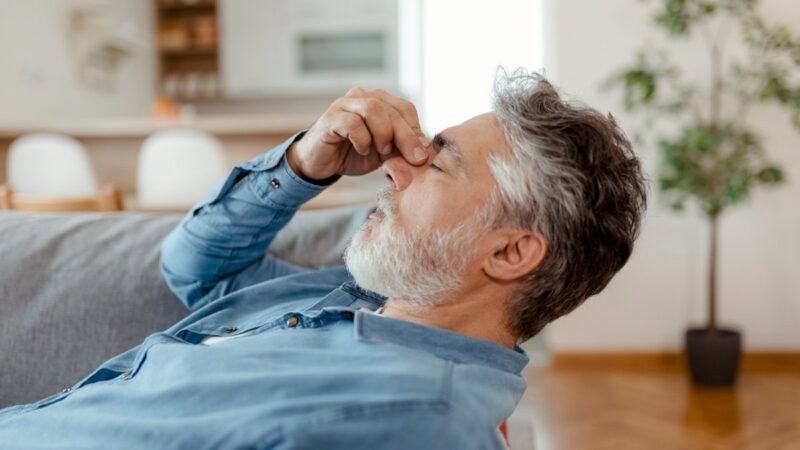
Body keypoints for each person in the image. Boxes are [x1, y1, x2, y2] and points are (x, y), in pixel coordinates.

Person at [0, 69, 646, 449]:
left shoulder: (419, 415)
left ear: (509, 252)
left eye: (438, 163)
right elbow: (195, 267)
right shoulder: (350, 300)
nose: (394, 167)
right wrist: (304, 163)